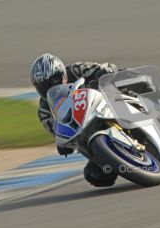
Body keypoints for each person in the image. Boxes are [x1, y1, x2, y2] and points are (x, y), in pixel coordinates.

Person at [30, 53, 118, 187]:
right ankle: (131, 163)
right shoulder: (44, 111)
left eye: (53, 80)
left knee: (124, 76)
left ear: (62, 73)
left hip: (110, 105)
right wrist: (62, 145)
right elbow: (58, 134)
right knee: (94, 175)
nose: (49, 86)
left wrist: (105, 72)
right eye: (43, 85)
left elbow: (107, 66)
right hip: (89, 132)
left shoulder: (76, 70)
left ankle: (150, 106)